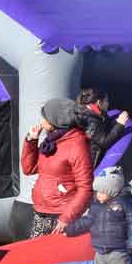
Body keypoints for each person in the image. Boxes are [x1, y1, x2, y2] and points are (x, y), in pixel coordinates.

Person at [64, 166, 132, 264]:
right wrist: (71, 229)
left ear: (113, 191)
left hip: (118, 247)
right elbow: (88, 220)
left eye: (102, 192)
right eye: (97, 192)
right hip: (99, 246)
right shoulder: (96, 205)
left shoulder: (126, 204)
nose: (98, 195)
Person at [20, 98, 94, 238]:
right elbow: (29, 169)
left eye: (45, 117)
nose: (42, 121)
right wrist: (31, 141)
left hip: (62, 215)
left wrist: (67, 218)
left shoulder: (77, 145)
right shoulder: (51, 141)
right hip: (41, 210)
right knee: (37, 251)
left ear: (55, 120)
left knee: (57, 251)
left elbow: (85, 188)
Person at [72, 87, 131, 168]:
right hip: (86, 164)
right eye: (106, 101)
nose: (108, 104)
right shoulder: (91, 120)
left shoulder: (88, 111)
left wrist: (115, 122)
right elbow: (104, 142)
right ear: (99, 102)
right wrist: (120, 124)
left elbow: (100, 129)